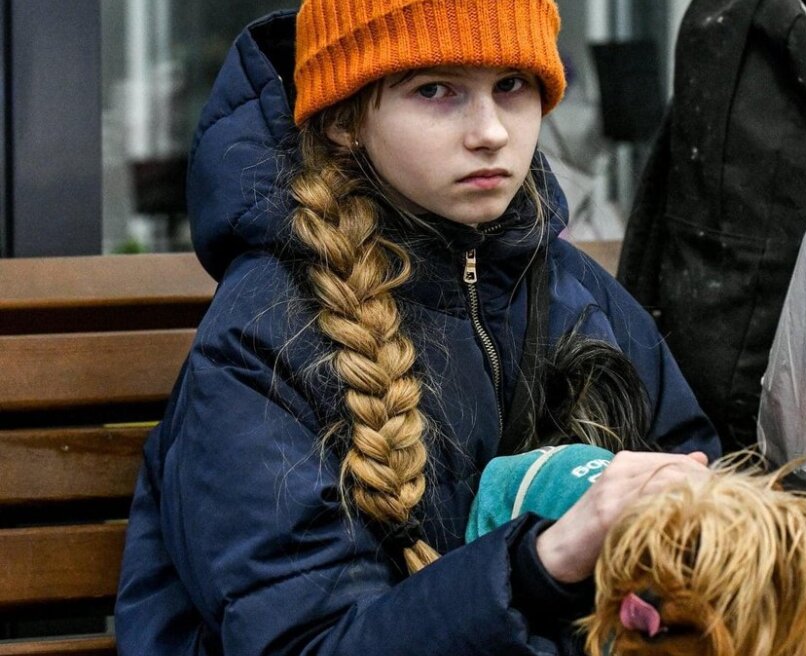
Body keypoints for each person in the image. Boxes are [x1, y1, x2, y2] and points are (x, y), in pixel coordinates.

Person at [114, 1, 720, 654]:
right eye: (436, 90)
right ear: (346, 120)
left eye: (511, 86)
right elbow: (305, 642)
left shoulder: (576, 292)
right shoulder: (263, 340)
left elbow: (694, 489)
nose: (489, 131)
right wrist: (544, 564)